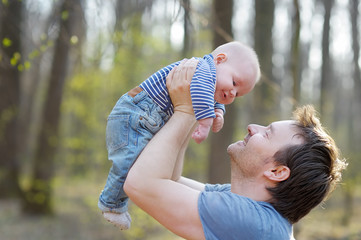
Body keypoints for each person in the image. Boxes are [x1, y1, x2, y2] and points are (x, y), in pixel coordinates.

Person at [124, 58, 347, 240]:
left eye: (267, 133)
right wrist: (197, 108)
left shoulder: (250, 221)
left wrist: (185, 110)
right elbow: (168, 180)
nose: (252, 128)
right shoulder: (251, 211)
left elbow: (141, 184)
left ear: (277, 172)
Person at [98, 42, 261, 229]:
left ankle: (114, 202)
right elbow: (201, 91)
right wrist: (206, 123)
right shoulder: (203, 68)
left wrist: (219, 112)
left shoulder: (212, 81)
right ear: (220, 60)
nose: (232, 92)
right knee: (128, 161)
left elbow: (211, 96)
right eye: (234, 83)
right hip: (134, 115)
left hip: (147, 120)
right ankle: (111, 204)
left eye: (238, 94)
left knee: (142, 163)